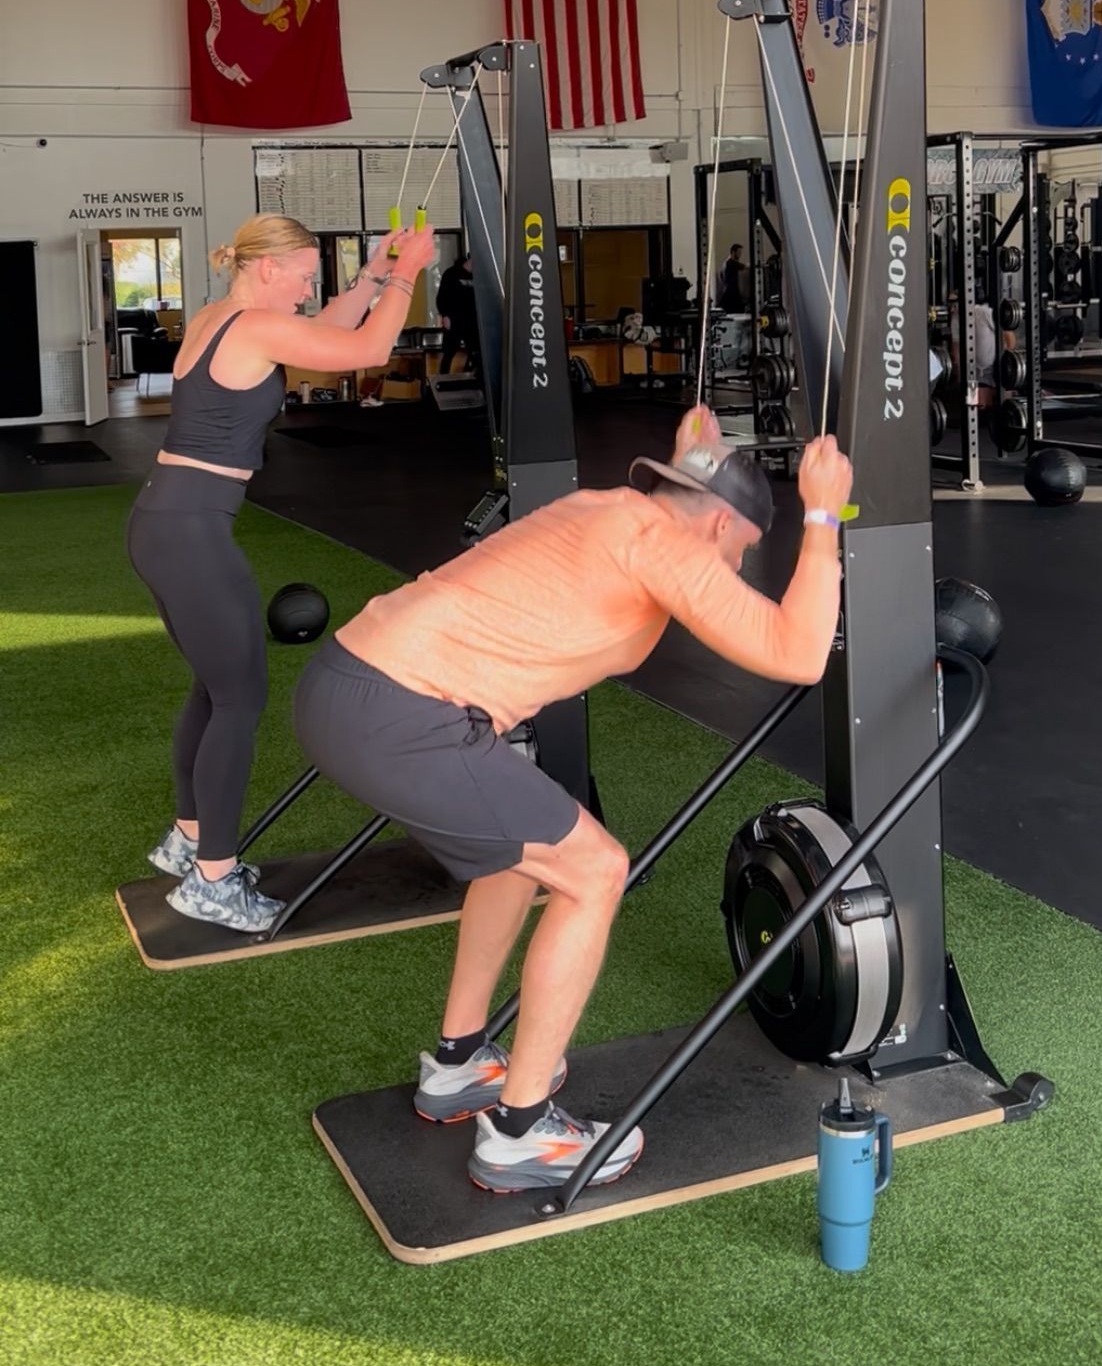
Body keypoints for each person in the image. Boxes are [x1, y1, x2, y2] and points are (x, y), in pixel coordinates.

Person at [293, 407, 852, 1193]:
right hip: (401, 711)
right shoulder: (663, 543)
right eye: (744, 548)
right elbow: (797, 652)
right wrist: (823, 510)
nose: (735, 563)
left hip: (349, 683)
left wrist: (693, 453)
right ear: (722, 523)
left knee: (520, 855)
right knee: (595, 868)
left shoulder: (607, 510)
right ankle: (520, 1131)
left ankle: (460, 1063)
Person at [127, 213, 436, 934]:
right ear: (268, 269)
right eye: (302, 275)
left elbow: (325, 331)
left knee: (215, 686)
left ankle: (188, 839)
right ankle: (213, 877)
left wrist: (366, 277)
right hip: (192, 531)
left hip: (163, 519)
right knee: (240, 697)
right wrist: (405, 270)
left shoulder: (221, 316)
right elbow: (365, 347)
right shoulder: (256, 329)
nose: (307, 289)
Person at [948, 292, 1014, 408]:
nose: (953, 308)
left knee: (1004, 403)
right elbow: (956, 350)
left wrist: (1009, 362)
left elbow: (1009, 335)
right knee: (975, 406)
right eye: (951, 305)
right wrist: (960, 377)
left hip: (996, 368)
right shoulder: (955, 319)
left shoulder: (984, 312)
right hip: (975, 373)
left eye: (955, 304)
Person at [436, 251, 478, 375]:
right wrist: (445, 315)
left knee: (475, 351)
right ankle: (443, 379)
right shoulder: (452, 274)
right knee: (449, 352)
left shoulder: (479, 276)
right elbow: (441, 297)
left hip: (472, 321)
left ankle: (475, 378)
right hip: (454, 319)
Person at [718, 244, 746, 313]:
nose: (740, 254)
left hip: (729, 292)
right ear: (733, 252)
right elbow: (745, 266)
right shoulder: (731, 263)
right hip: (731, 294)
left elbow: (721, 275)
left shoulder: (726, 263)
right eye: (739, 252)